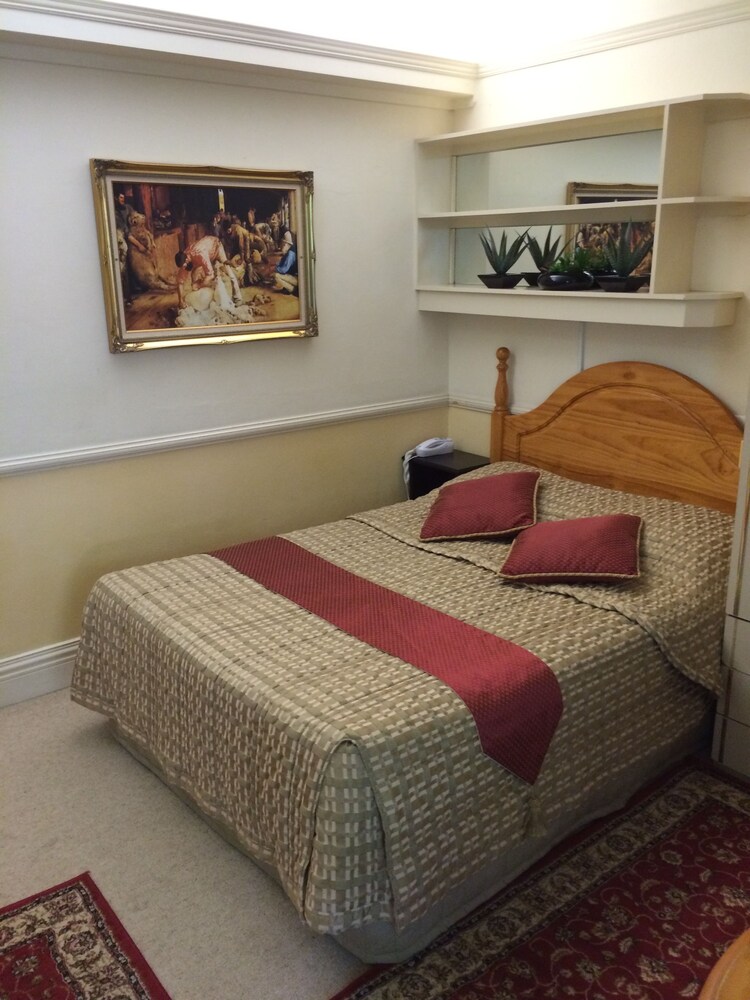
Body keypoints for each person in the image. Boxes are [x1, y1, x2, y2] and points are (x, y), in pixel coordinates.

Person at [174, 234, 241, 308]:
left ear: (187, 260)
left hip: (217, 247)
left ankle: (238, 299)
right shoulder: (184, 258)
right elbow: (180, 282)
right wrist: (180, 300)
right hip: (207, 254)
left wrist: (199, 285)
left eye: (185, 265)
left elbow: (210, 275)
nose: (184, 267)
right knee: (194, 275)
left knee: (229, 273)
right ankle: (200, 301)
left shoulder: (199, 254)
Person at [273, 230, 298, 295]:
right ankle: (287, 288)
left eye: (283, 243)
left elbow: (283, 270)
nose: (282, 245)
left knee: (276, 276)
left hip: (297, 279)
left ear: (286, 244)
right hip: (295, 276)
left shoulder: (290, 254)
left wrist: (275, 268)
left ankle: (292, 289)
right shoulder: (290, 250)